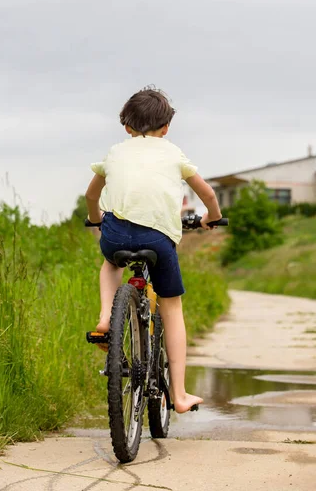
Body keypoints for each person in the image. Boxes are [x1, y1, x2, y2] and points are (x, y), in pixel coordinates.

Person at [85, 87, 222, 414]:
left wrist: (96, 221)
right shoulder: (174, 153)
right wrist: (211, 219)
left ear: (127, 127)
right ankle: (179, 394)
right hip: (159, 239)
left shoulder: (115, 153)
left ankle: (105, 317)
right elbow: (209, 196)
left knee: (109, 263)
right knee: (172, 308)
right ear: (166, 128)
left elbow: (92, 197)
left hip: (116, 232)